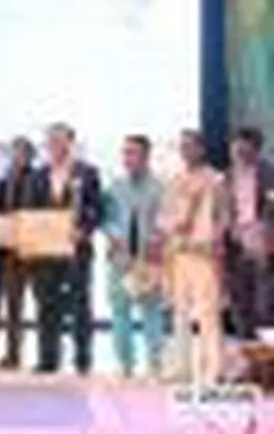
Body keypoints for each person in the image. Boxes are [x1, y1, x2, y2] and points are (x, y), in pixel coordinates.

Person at [30, 123, 102, 374]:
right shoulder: (38, 175)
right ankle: (48, 358)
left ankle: (82, 358)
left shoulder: (87, 173)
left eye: (60, 141)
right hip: (46, 250)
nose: (55, 146)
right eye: (51, 141)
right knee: (46, 303)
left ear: (71, 143)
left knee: (80, 304)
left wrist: (84, 229)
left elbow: (96, 209)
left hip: (76, 249)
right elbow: (31, 211)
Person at [160, 129, 224, 384]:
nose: (185, 151)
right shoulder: (175, 180)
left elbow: (223, 217)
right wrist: (172, 228)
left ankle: (213, 370)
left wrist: (215, 242)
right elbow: (164, 216)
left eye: (190, 146)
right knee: (180, 313)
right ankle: (182, 367)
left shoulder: (215, 180)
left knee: (207, 313)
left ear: (201, 149)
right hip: (178, 252)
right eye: (182, 146)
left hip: (203, 253)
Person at [103, 135, 165, 377]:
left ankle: (155, 363)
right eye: (125, 152)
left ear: (146, 156)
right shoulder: (115, 187)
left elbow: (165, 221)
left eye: (133, 153)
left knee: (152, 311)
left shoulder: (160, 188)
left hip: (148, 259)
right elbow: (106, 219)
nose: (128, 158)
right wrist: (114, 237)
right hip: (120, 258)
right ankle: (125, 364)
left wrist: (156, 240)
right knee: (120, 311)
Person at [223, 127, 274, 340]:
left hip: (263, 242)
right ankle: (246, 346)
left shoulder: (269, 173)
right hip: (235, 243)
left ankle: (267, 350)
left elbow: (271, 204)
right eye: (235, 149)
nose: (239, 154)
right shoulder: (227, 176)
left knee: (265, 302)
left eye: (244, 150)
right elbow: (223, 208)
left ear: (256, 149)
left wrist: (264, 230)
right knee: (240, 300)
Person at [0, 136, 36, 369]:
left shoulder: (39, 179)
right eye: (14, 153)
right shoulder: (4, 181)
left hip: (35, 251)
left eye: (22, 153)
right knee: (12, 305)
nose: (18, 157)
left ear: (30, 156)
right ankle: (12, 353)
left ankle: (45, 355)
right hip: (10, 252)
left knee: (41, 303)